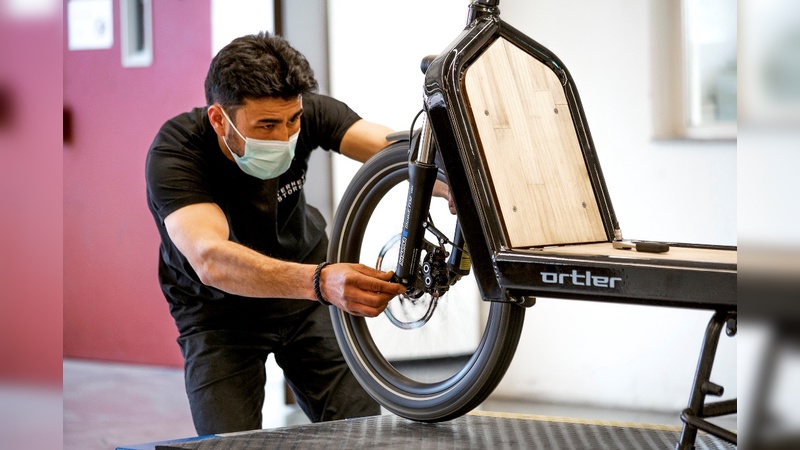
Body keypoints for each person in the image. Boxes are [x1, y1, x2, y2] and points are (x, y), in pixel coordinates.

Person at [145, 32, 408, 435]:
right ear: (219, 119)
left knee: (363, 434)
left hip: (306, 304)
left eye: (292, 121)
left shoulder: (304, 113)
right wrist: (321, 281)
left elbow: (394, 151)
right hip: (218, 315)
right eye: (266, 124)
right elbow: (210, 258)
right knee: (229, 445)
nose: (284, 136)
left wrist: (448, 182)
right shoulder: (178, 150)